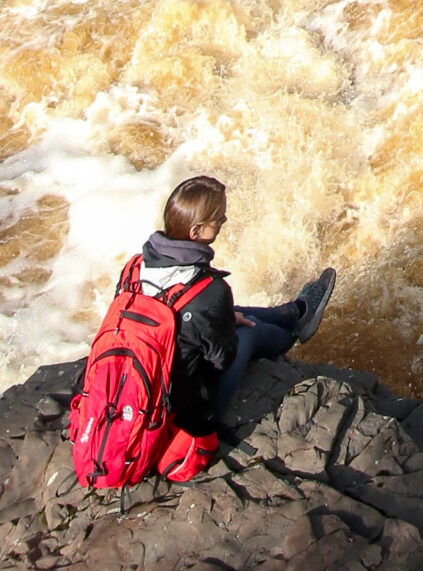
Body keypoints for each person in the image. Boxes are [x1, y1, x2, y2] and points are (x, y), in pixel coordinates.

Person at [140, 174, 336, 438]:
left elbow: (178, 318)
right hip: (187, 418)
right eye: (218, 217)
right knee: (246, 331)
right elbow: (222, 357)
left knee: (228, 314)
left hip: (147, 390)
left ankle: (294, 311)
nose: (224, 220)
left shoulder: (137, 268)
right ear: (196, 232)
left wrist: (223, 319)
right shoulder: (209, 291)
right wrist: (225, 328)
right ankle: (294, 332)